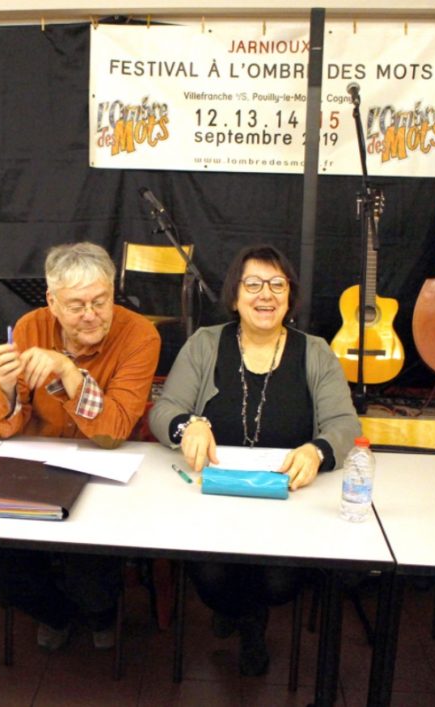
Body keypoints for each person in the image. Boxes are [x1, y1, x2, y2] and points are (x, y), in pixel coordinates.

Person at [148, 243, 361, 675]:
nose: (266, 295)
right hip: (213, 495)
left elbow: (344, 424)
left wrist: (317, 451)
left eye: (277, 284)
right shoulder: (205, 344)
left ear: (290, 296)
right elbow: (163, 411)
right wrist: (188, 424)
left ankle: (247, 618)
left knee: (279, 584)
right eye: (253, 284)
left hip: (288, 498)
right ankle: (247, 620)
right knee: (209, 581)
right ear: (234, 296)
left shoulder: (315, 351)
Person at [0, 241, 160, 651]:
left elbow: (111, 433)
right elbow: (5, 428)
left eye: (101, 301)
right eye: (77, 306)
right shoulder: (30, 327)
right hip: (39, 466)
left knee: (91, 577)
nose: (92, 315)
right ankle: (56, 613)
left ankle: (97, 613)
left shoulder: (139, 335)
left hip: (104, 471)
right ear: (52, 302)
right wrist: (5, 388)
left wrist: (69, 375)